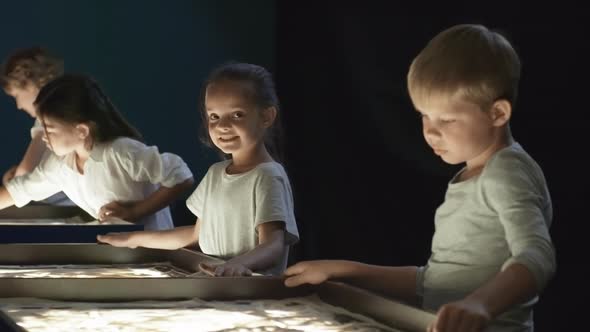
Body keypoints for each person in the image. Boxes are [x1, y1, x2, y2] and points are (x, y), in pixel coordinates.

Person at [284, 24, 555, 332]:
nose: (430, 131)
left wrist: (481, 304)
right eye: (424, 115)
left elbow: (537, 256)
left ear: (497, 114)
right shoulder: (470, 177)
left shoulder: (507, 172)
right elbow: (432, 282)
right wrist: (343, 271)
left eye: (447, 119)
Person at [98, 62, 299, 277]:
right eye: (214, 116)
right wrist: (133, 239)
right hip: (218, 287)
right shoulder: (215, 173)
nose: (223, 125)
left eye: (237, 114)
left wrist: (238, 265)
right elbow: (196, 235)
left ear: (266, 117)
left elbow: (273, 245)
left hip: (252, 293)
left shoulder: (267, 176)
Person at [0, 74, 194, 230]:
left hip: (153, 252)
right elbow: (20, 190)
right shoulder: (60, 164)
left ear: (82, 130)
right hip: (118, 254)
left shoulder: (120, 151)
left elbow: (181, 176)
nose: (44, 136)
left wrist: (135, 211)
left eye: (49, 129)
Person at [0, 47, 73, 205]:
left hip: (69, 206)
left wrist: (12, 180)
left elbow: (26, 173)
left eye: (16, 96)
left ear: (30, 84)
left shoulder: (49, 118)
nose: (18, 105)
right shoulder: (70, 109)